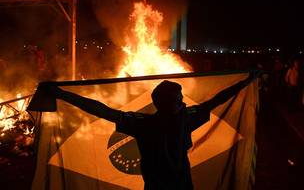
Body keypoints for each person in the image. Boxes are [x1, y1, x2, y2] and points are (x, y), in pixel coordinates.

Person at [39, 72, 255, 190]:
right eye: (179, 100)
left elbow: (102, 110)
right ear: (172, 103)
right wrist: (246, 80)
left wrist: (61, 93)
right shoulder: (186, 118)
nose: (182, 103)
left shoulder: (142, 123)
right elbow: (216, 100)